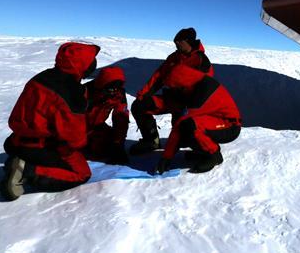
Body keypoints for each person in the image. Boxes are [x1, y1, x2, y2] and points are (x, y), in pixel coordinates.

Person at [0, 42, 100, 200]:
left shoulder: (41, 77)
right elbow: (75, 140)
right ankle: (28, 170)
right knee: (81, 173)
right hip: (41, 145)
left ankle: (20, 161)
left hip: (16, 141)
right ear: (83, 65)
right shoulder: (72, 92)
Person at [130, 27, 214, 155]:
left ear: (188, 42)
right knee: (139, 106)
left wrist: (192, 107)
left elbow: (206, 87)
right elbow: (159, 77)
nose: (177, 45)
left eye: (179, 42)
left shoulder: (201, 60)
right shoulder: (174, 57)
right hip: (171, 99)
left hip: (188, 104)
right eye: (175, 43)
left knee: (182, 136)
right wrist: (144, 93)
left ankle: (196, 143)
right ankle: (151, 140)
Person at [151, 64, 241, 175]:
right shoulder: (196, 85)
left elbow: (182, 123)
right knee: (186, 129)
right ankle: (203, 152)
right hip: (215, 120)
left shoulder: (203, 93)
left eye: (176, 88)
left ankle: (214, 155)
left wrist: (166, 157)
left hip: (229, 126)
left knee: (191, 125)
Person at [84, 66, 130, 164]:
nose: (114, 91)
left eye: (117, 87)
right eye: (110, 88)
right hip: (79, 128)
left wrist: (119, 144)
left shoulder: (119, 94)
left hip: (97, 126)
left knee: (111, 142)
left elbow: (121, 119)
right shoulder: (85, 92)